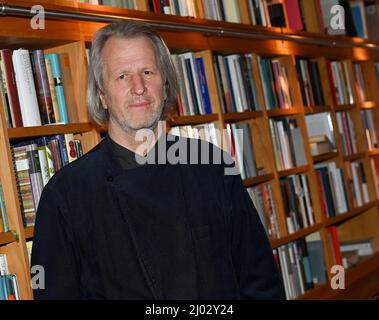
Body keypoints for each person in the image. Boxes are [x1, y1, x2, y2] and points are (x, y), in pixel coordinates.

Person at [31, 20, 285, 300]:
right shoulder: (66, 194)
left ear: (165, 86)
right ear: (102, 95)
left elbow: (260, 280)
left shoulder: (211, 166)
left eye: (147, 72)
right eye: (122, 76)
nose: (138, 87)